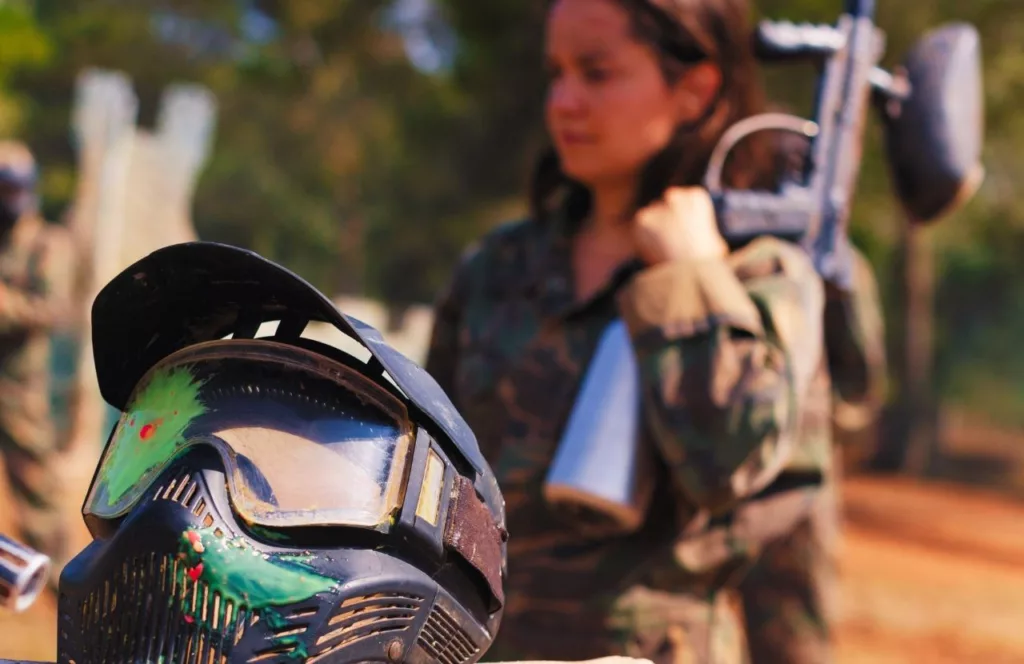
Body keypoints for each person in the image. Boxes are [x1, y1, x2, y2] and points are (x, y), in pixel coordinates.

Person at [425, 0, 831, 661]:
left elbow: (747, 482)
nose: (563, 101)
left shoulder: (761, 278)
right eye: (556, 72)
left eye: (597, 72)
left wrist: (688, 281)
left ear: (695, 89)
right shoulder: (499, 266)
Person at [736, 245, 888, 664]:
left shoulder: (833, 261)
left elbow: (857, 391)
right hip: (795, 478)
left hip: (794, 482)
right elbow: (860, 387)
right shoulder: (831, 260)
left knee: (792, 639)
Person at [0, 140, 73, 581]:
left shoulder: (47, 242)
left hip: (18, 385)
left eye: (16, 188)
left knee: (37, 487)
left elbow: (51, 309)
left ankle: (60, 580)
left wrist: (5, 305)